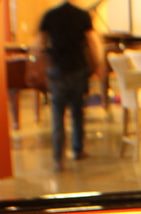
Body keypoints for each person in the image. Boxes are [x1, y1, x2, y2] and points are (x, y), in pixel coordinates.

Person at [38, 0, 102, 169]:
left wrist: (38, 66)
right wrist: (97, 64)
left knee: (57, 114)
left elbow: (39, 44)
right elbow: (93, 43)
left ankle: (58, 159)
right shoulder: (82, 16)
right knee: (77, 112)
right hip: (78, 69)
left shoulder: (49, 15)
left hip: (57, 70)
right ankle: (78, 150)